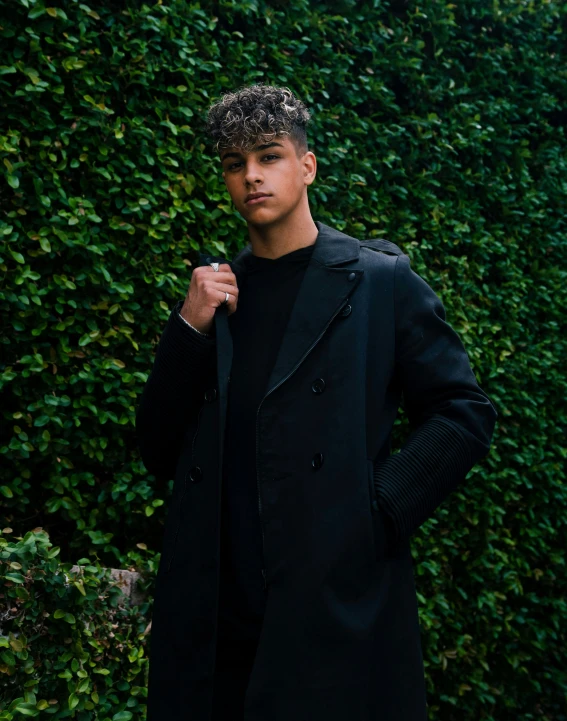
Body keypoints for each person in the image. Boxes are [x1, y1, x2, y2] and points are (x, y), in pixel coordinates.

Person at [136, 84, 498, 721]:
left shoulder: (378, 281)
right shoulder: (214, 296)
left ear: (306, 166)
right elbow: (156, 446)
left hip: (329, 601)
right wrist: (187, 329)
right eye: (233, 163)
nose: (251, 176)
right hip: (215, 611)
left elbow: (463, 412)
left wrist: (377, 511)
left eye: (268, 156)